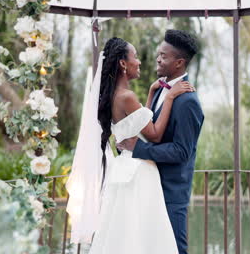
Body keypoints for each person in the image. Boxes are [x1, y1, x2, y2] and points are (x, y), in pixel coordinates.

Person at [66, 36, 195, 254]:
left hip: (123, 168)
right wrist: (170, 98)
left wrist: (152, 93)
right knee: (142, 234)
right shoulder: (127, 96)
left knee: (125, 231)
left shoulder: (115, 95)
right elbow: (153, 133)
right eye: (135, 57)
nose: (140, 62)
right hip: (139, 171)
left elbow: (137, 123)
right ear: (123, 63)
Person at [117, 29, 205, 254]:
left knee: (175, 249)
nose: (157, 58)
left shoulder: (188, 101)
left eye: (164, 56)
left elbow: (181, 151)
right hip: (149, 186)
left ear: (179, 63)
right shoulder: (159, 89)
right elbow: (151, 128)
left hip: (171, 193)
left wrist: (140, 148)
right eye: (159, 54)